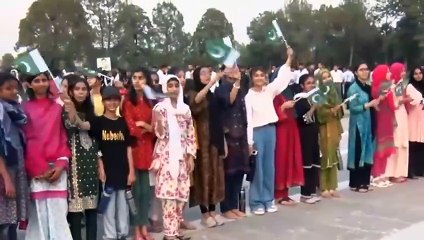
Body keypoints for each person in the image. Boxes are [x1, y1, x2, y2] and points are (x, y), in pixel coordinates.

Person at [23, 72, 73, 240]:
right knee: (39, 216)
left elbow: (63, 137)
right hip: (36, 169)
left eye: (45, 80)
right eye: (37, 80)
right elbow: (28, 140)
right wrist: (38, 168)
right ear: (29, 85)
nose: (42, 83)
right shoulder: (24, 109)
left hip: (58, 167)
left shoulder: (59, 107)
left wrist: (60, 165)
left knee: (59, 216)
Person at [245, 48, 293, 215]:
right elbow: (249, 121)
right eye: (256, 75)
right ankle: (256, 201)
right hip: (257, 133)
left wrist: (288, 59)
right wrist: (250, 142)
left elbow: (282, 79)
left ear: (265, 77)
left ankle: (268, 199)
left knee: (269, 166)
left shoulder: (270, 90)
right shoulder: (248, 96)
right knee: (258, 168)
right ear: (252, 78)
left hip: (270, 131)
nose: (259, 78)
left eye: (262, 75)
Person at [150, 75, 196, 240]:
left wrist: (191, 156)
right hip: (167, 156)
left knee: (181, 195)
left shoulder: (185, 109)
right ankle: (169, 235)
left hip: (182, 157)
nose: (174, 89)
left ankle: (175, 231)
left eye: (176, 85)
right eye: (170, 86)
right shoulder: (160, 108)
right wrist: (161, 122)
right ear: (165, 88)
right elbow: (159, 134)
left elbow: (190, 133)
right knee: (169, 196)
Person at [90, 86, 135, 240]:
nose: (112, 103)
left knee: (123, 204)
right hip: (107, 169)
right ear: (103, 101)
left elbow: (128, 148)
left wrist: (131, 171)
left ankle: (123, 233)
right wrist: (100, 167)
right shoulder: (98, 122)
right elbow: (96, 148)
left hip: (122, 168)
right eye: (109, 99)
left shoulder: (123, 123)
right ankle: (109, 235)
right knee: (108, 204)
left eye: (115, 99)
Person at [187, 66, 225, 227]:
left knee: (215, 174)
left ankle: (213, 210)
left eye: (209, 73)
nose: (207, 76)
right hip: (200, 140)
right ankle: (204, 213)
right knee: (203, 175)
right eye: (203, 73)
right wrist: (212, 83)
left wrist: (223, 142)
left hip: (214, 139)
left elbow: (219, 119)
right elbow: (196, 103)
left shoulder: (213, 95)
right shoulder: (192, 92)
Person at [62, 75, 99, 240]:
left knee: (92, 209)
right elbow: (70, 124)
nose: (81, 92)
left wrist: (74, 112)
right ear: (71, 91)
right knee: (75, 211)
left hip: (91, 166)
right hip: (74, 165)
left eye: (84, 89)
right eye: (77, 89)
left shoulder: (92, 112)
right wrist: (70, 110)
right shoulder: (63, 111)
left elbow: (85, 126)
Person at [122, 68, 155, 240]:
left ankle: (144, 226)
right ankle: (136, 229)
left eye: (140, 78)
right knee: (135, 192)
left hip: (148, 148)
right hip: (133, 149)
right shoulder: (128, 101)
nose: (137, 81)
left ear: (147, 80)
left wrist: (146, 125)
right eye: (134, 77)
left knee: (146, 192)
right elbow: (130, 127)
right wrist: (142, 127)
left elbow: (157, 126)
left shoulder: (151, 101)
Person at [215, 66, 249, 219]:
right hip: (228, 136)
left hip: (241, 134)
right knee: (228, 173)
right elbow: (229, 100)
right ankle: (226, 208)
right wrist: (236, 83)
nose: (235, 71)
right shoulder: (221, 89)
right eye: (231, 69)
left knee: (239, 172)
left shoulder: (240, 88)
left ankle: (234, 206)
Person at [0, 72, 28, 240]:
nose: (13, 91)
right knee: (3, 220)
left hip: (15, 164)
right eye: (7, 88)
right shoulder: (2, 111)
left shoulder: (14, 109)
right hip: (5, 170)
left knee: (11, 219)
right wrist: (7, 179)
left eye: (14, 88)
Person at [347, 63, 379, 192]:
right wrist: (367, 105)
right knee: (358, 151)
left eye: (366, 69)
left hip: (369, 122)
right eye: (361, 70)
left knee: (367, 150)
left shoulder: (368, 87)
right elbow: (352, 108)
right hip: (358, 125)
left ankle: (365, 182)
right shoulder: (353, 88)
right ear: (356, 72)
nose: (365, 72)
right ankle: (356, 183)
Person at [273, 73, 304, 205]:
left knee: (290, 159)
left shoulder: (289, 90)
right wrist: (283, 107)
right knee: (281, 160)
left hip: (291, 127)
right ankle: (279, 194)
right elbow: (273, 114)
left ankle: (285, 193)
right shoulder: (274, 93)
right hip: (281, 129)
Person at [316, 69, 343, 198]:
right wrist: (330, 111)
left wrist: (338, 109)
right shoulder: (318, 94)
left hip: (334, 126)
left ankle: (333, 186)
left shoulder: (334, 92)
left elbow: (341, 111)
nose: (327, 80)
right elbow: (319, 113)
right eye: (324, 78)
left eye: (328, 77)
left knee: (333, 155)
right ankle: (323, 186)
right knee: (325, 156)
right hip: (324, 128)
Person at [295, 74, 321, 204]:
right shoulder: (300, 100)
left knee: (315, 163)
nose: (311, 85)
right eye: (308, 83)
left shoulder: (314, 97)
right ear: (302, 86)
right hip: (305, 135)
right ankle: (305, 194)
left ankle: (312, 192)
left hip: (314, 134)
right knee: (307, 163)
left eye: (313, 82)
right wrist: (313, 108)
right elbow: (303, 119)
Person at [371, 65, 396, 188]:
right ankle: (376, 175)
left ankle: (382, 173)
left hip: (388, 118)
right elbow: (392, 103)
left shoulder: (390, 85)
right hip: (381, 118)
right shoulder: (378, 88)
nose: (390, 74)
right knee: (380, 147)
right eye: (387, 72)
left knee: (386, 147)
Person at [385, 63, 409, 183]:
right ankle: (396, 173)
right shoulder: (397, 85)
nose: (404, 73)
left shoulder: (395, 85)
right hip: (398, 114)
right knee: (398, 143)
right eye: (402, 71)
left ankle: (396, 172)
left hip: (400, 114)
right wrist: (407, 99)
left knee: (399, 142)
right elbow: (398, 102)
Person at [406, 67, 424, 178]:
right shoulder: (410, 86)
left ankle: (421, 169)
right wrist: (421, 100)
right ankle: (411, 170)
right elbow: (412, 101)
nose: (418, 76)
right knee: (413, 144)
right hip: (413, 117)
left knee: (422, 144)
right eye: (415, 74)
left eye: (420, 73)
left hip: (422, 117)